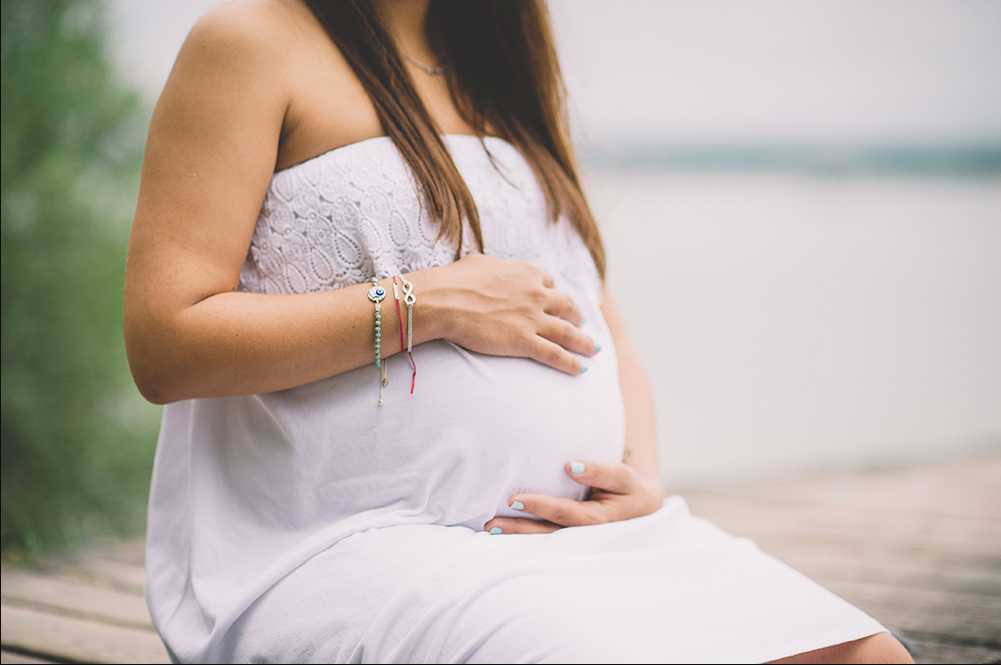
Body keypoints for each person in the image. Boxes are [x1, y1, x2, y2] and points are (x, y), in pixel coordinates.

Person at [124, 1, 913, 662]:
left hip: (573, 543)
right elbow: (167, 343)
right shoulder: (249, 44)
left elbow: (598, 316)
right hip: (352, 544)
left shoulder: (495, 69)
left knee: (868, 654)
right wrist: (422, 304)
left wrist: (639, 473)